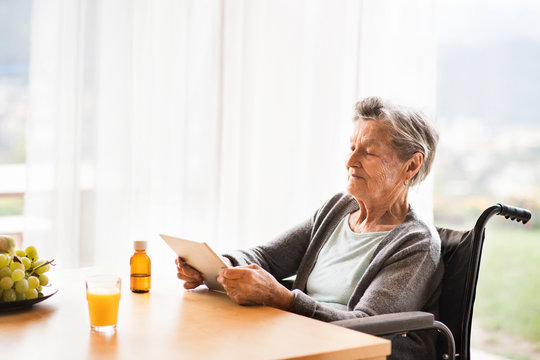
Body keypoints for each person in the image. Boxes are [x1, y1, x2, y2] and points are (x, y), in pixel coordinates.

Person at [176, 96, 443, 359]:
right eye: (352, 148)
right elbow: (268, 257)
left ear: (411, 165)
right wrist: (219, 266)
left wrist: (283, 299)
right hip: (303, 340)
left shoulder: (416, 242)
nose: (350, 162)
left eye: (369, 152)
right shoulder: (337, 208)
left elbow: (368, 326)